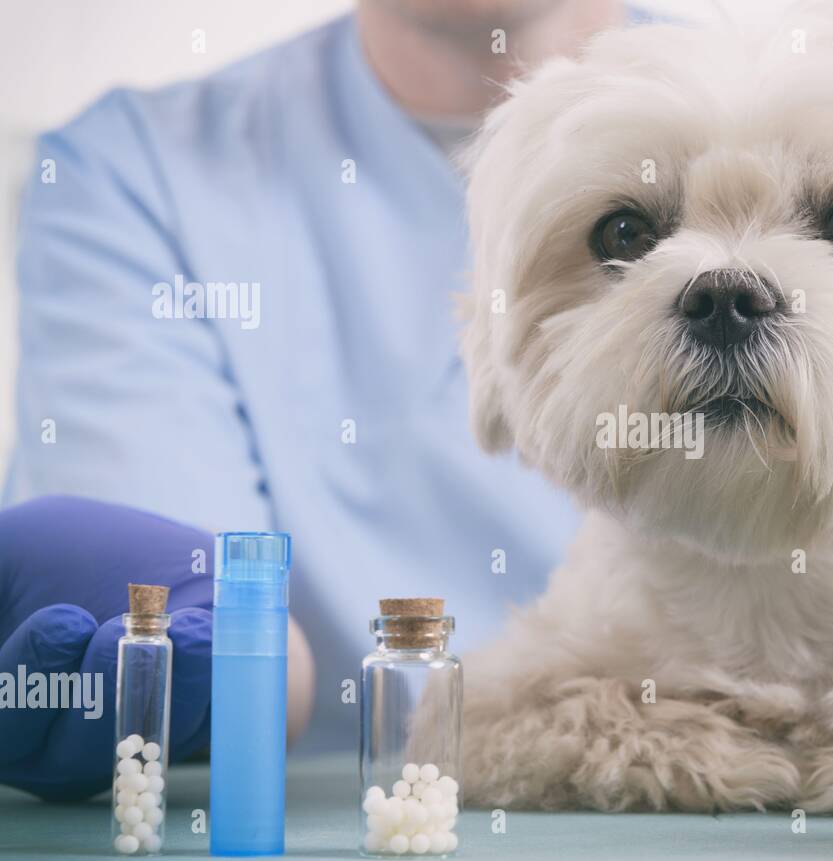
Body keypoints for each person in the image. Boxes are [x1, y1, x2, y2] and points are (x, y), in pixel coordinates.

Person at [1, 0, 639, 795]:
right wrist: (222, 668)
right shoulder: (137, 174)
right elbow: (226, 653)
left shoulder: (800, 98)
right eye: (627, 236)